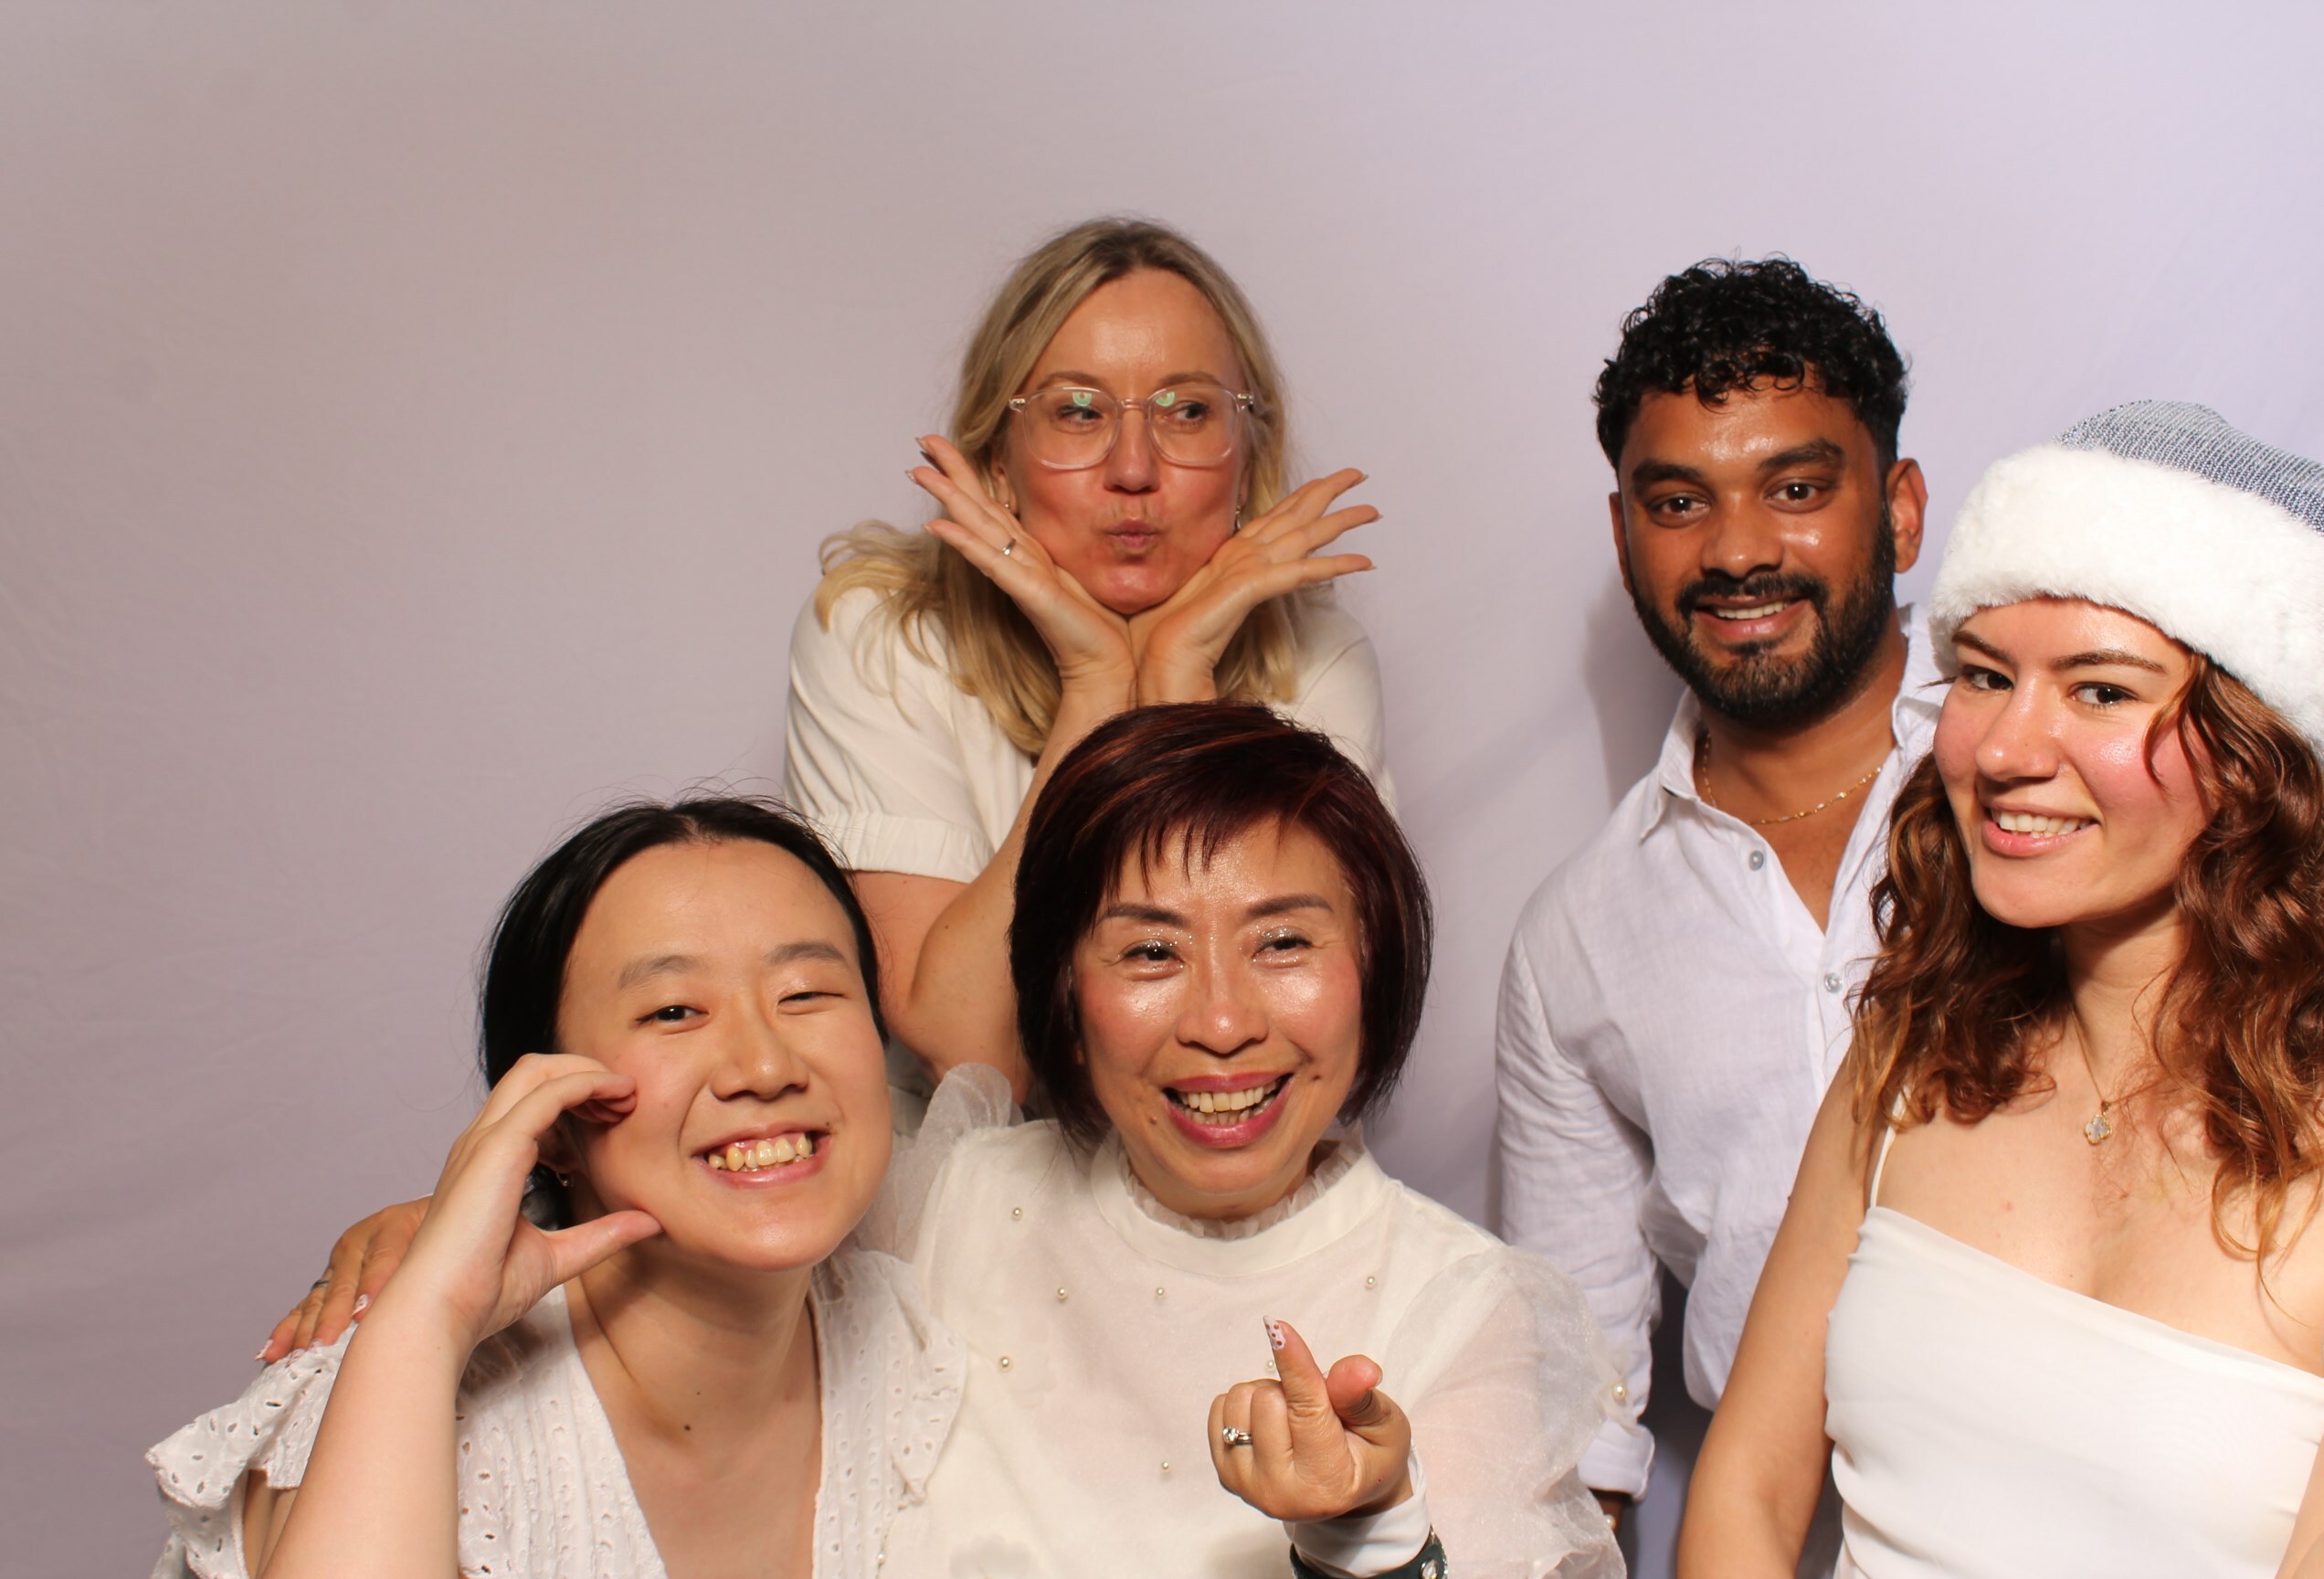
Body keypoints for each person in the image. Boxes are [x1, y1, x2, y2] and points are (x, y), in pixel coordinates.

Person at [268, 706, 1623, 1577]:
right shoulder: (941, 1202)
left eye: (1284, 944)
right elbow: (729, 1184)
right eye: (1149, 952)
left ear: (1376, 967)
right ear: (1061, 995)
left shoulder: (1470, 1308)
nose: (1222, 1022)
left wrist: (1370, 1536)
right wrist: (437, 1247)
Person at [1682, 402, 2324, 1578]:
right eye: (1986, 677)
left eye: (2100, 692)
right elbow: (1748, 1487)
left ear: (2257, 755)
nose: (2004, 750)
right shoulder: (1914, 1048)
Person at [151, 799, 963, 1578]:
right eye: (674, 1011)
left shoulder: (933, 1336)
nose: (766, 1065)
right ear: (552, 1117)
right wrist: (430, 1314)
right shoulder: (397, 1399)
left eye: (807, 994)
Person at [1491, 258, 1928, 1531]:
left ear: (1900, 512)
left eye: (1796, 489)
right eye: (1679, 502)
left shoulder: (2055, 793)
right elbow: (1580, 1407)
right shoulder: (1578, 936)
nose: (1737, 551)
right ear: (1623, 534)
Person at [787, 217, 1390, 1107]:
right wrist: (1097, 690)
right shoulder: (879, 636)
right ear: (999, 462)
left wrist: (1177, 685)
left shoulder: (1318, 659)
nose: (1133, 469)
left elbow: (1286, 1045)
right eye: (1077, 411)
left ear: (1247, 454)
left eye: (1188, 411)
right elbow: (974, 1054)